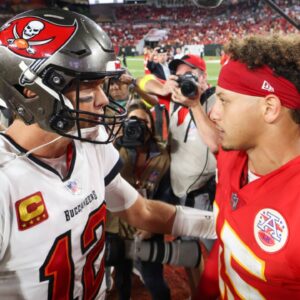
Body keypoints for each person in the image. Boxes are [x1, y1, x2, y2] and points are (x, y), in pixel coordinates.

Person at [0, 8, 206, 299]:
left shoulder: (89, 140)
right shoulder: (5, 180)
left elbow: (141, 211)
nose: (103, 100)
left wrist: (217, 225)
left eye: (101, 84)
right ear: (31, 91)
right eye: (88, 85)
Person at [169, 34, 300, 298]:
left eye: (224, 100)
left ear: (270, 108)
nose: (215, 112)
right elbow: (228, 244)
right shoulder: (233, 157)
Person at [137, 54, 217, 295]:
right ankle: (196, 293)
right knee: (189, 252)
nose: (184, 82)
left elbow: (215, 144)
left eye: (189, 76)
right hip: (177, 189)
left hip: (202, 193)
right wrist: (163, 85)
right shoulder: (173, 100)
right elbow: (140, 83)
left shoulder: (214, 102)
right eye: (179, 77)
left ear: (203, 77)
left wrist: (196, 102)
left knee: (217, 250)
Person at [106, 101, 171, 300]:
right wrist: (112, 142)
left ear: (151, 127)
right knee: (122, 278)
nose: (138, 126)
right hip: (117, 226)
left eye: (143, 122)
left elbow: (166, 195)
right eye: (132, 121)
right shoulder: (113, 149)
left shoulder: (162, 155)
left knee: (154, 280)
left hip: (148, 223)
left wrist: (154, 226)